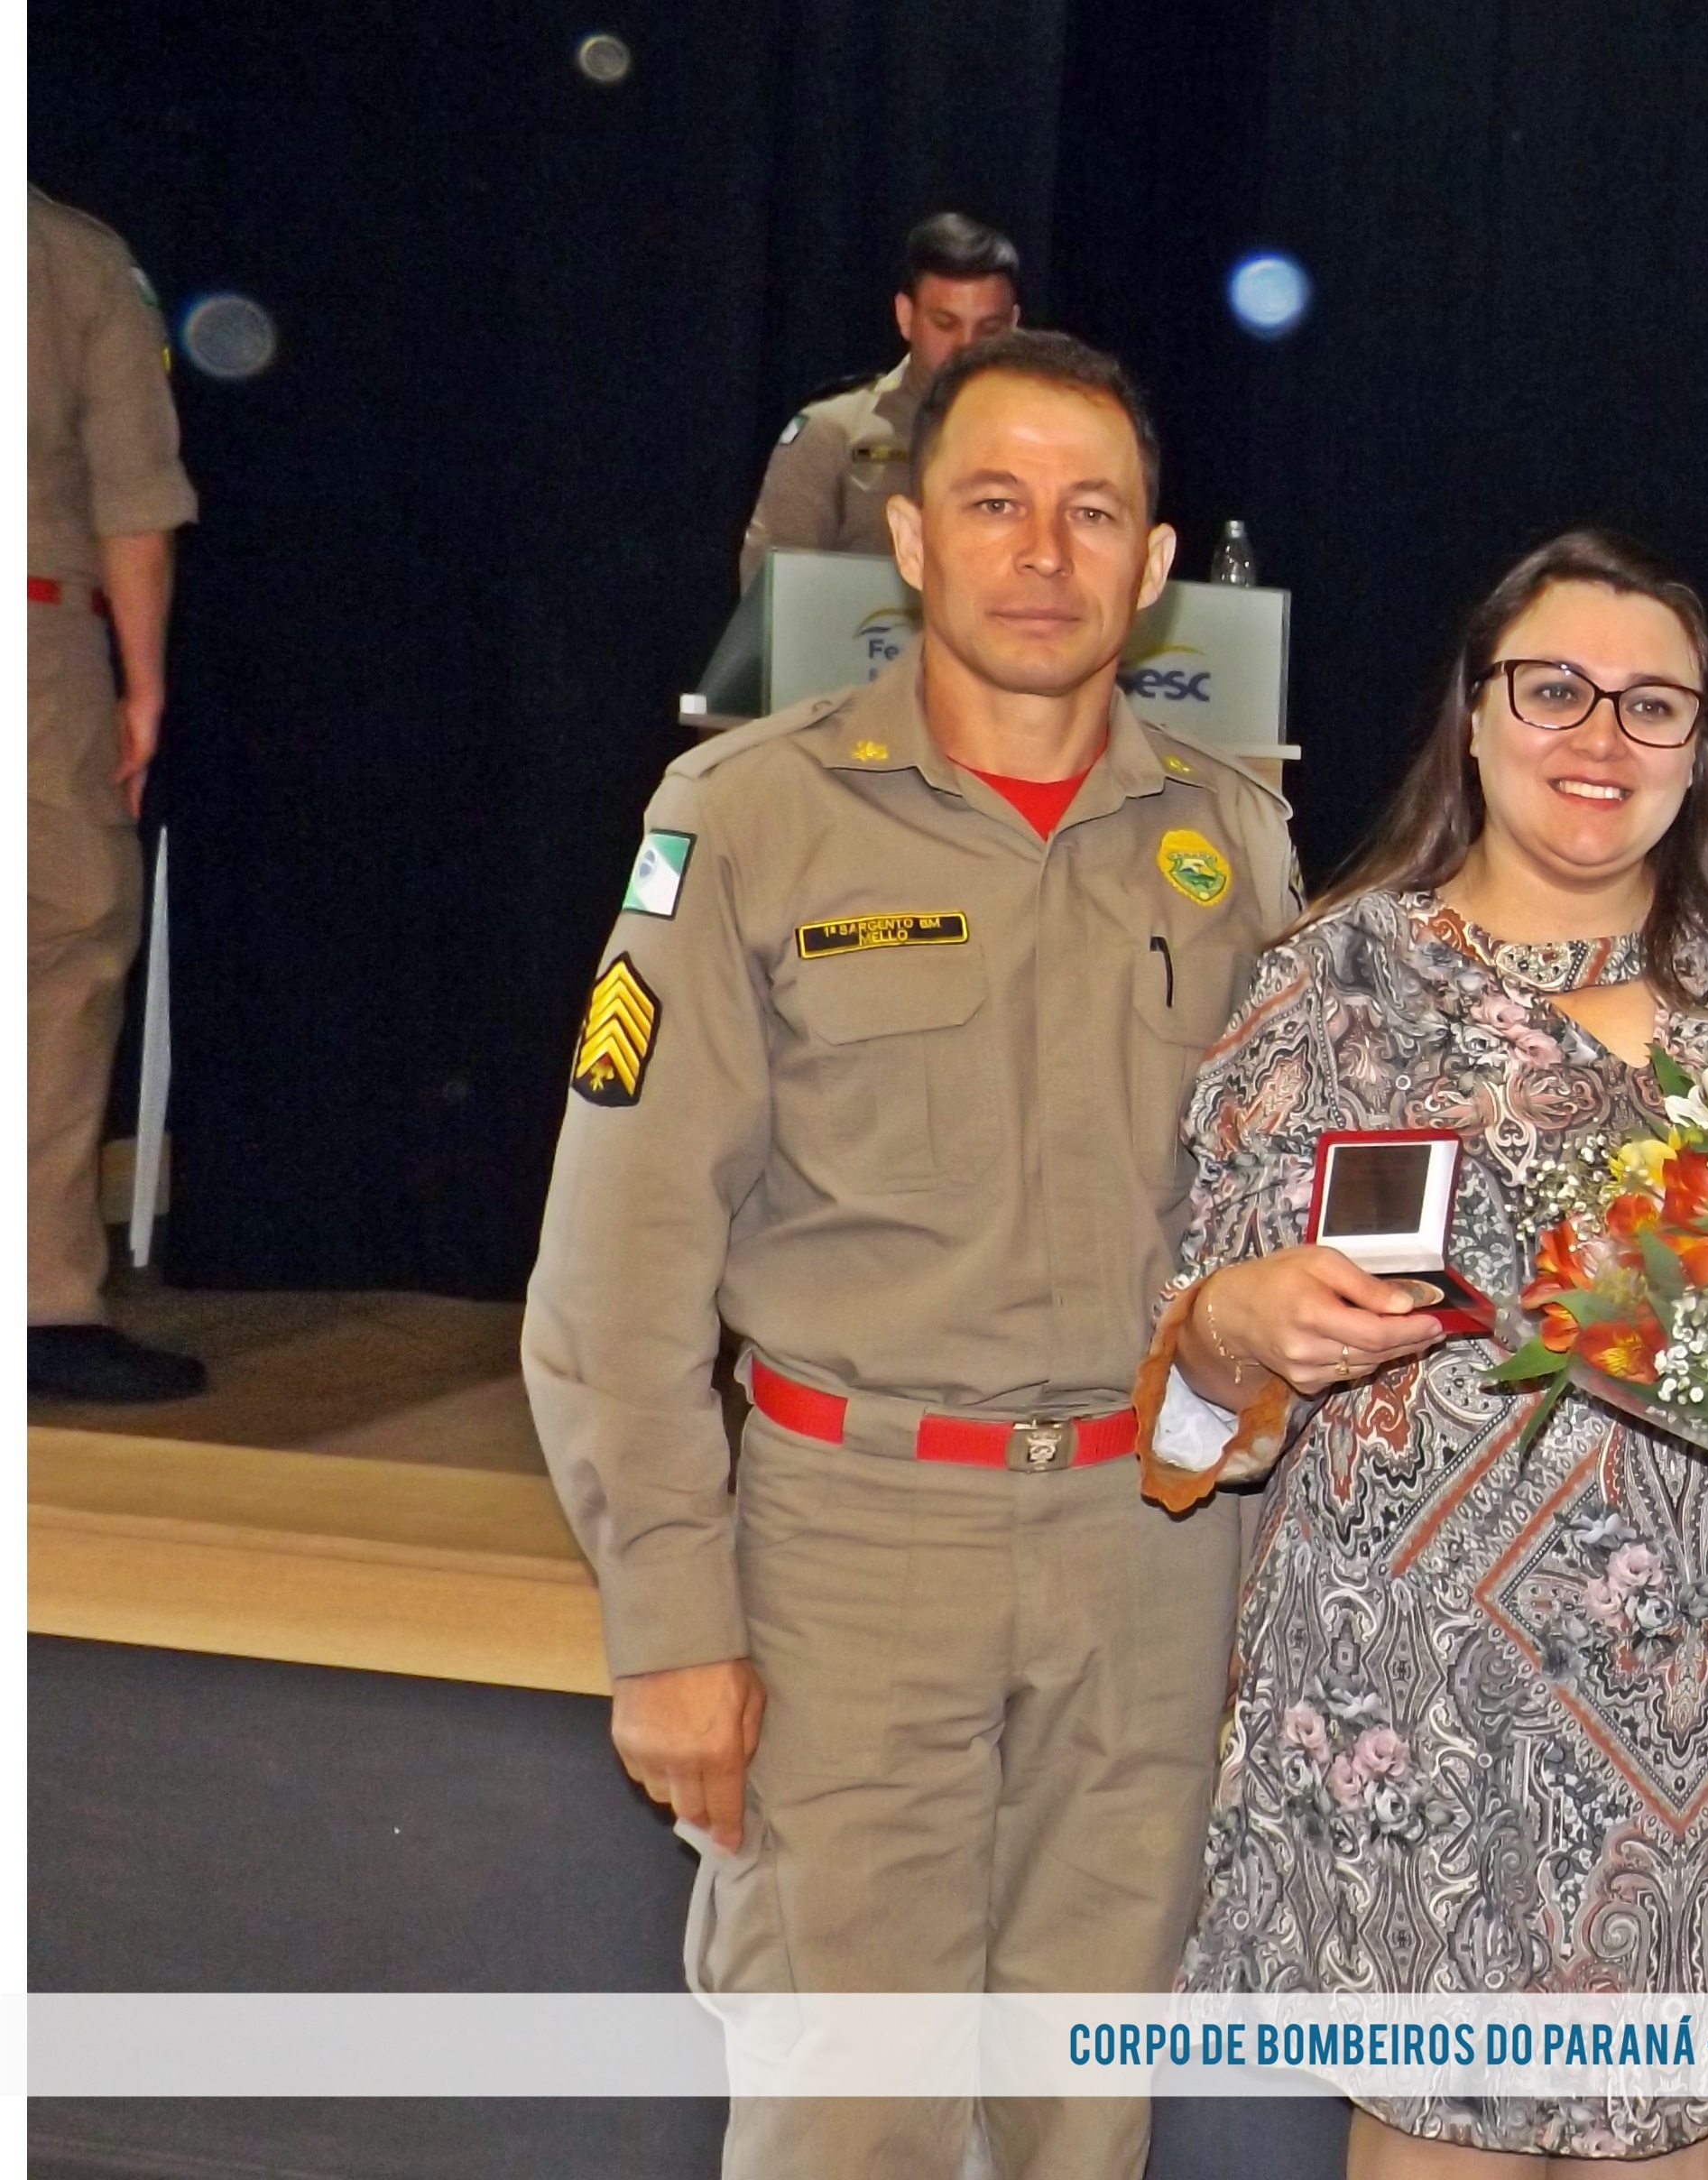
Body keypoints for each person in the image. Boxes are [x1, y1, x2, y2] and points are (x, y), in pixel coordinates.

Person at [525, 331, 1312, 2179]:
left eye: (1090, 513)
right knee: (849, 2117)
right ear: (907, 538)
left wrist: (1259, 1593)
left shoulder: (1234, 838)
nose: (1042, 551)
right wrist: (669, 1625)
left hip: (1149, 1544)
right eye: (995, 502)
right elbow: (619, 1263)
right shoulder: (746, 819)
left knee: (1079, 2118)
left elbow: (1272, 1239)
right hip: (853, 1547)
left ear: (1154, 561)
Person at [1149, 531, 1708, 2175]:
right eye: (1553, 690)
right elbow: (1193, 1374)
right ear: (1472, 713)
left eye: (1650, 703)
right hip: (1421, 1696)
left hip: (1696, 1706)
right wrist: (1236, 1322)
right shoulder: (1335, 978)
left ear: (1699, 746)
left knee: (1663, 2142)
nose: (1600, 735)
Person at [28, 189, 207, 1404]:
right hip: (31, 648)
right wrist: (143, 686)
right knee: (58, 951)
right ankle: (37, 1300)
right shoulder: (70, 256)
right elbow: (134, 499)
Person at [734, 211, 1022, 588]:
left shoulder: (1046, 440)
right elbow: (775, 589)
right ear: (906, 316)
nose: (966, 347)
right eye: (945, 324)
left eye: (989, 328)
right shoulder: (834, 433)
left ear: (1013, 326)